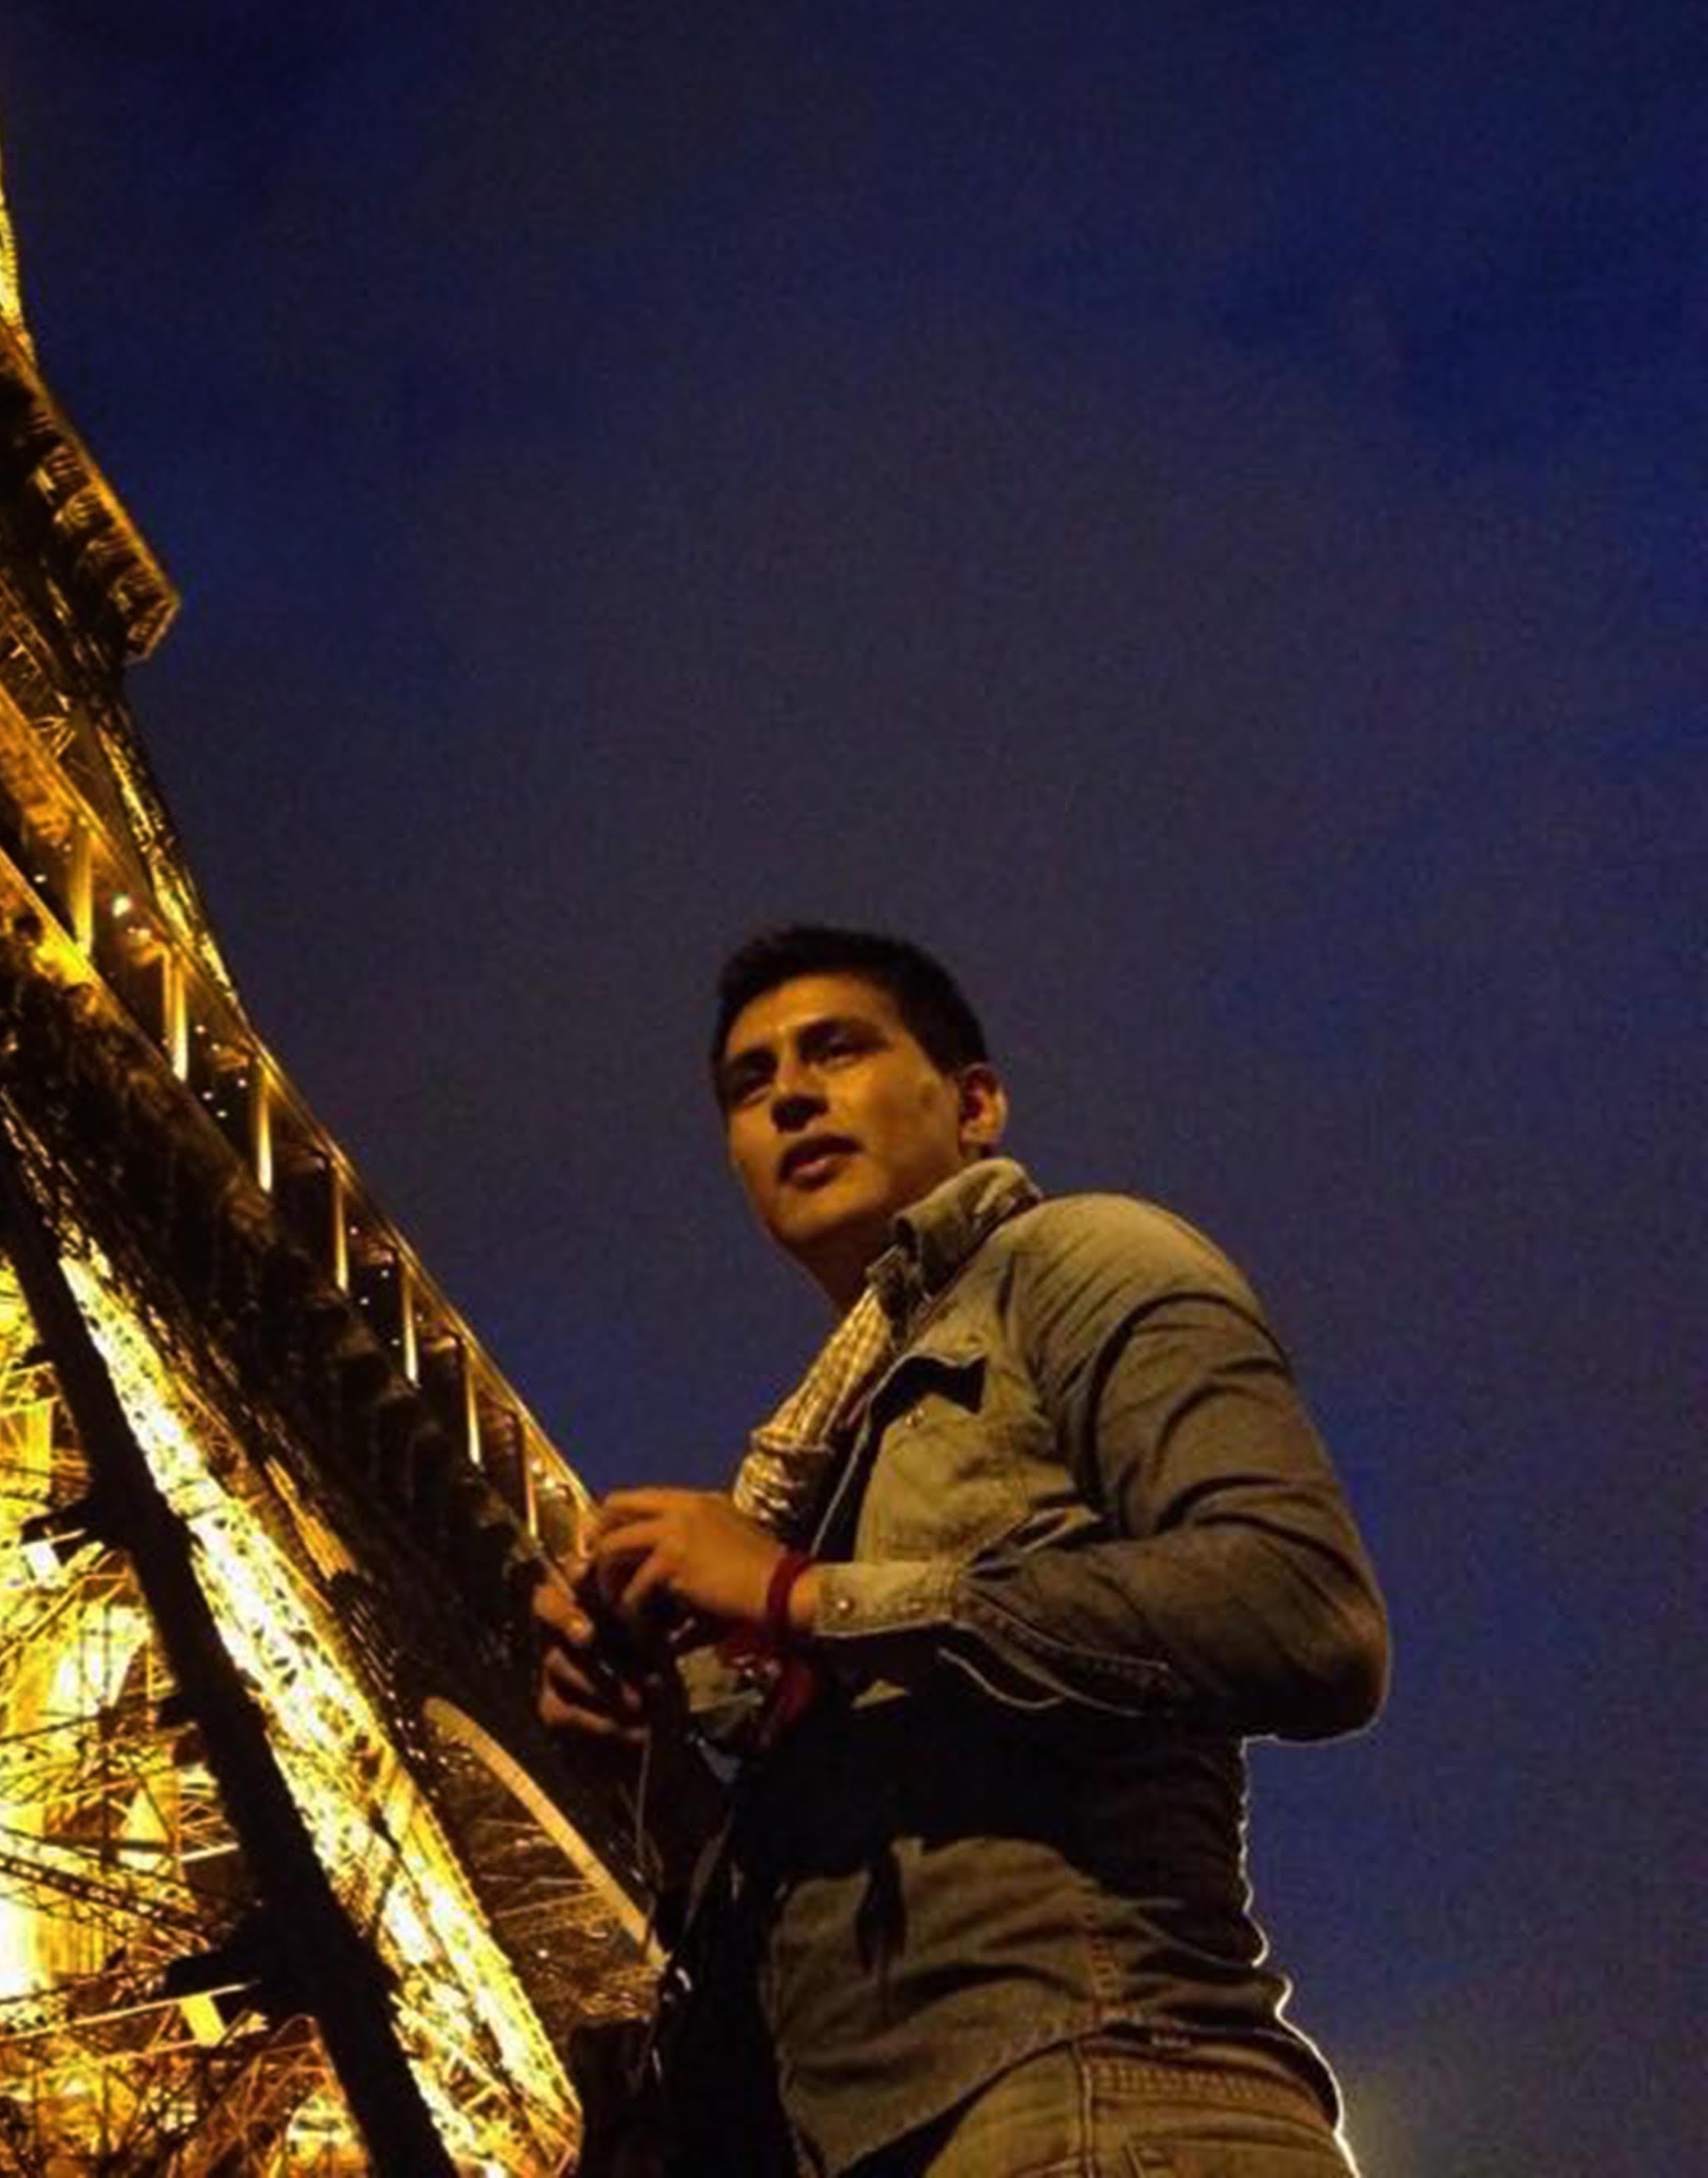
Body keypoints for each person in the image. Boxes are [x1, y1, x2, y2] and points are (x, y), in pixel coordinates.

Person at [535, 923, 1388, 2178]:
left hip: (1111, 2094)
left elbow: (1303, 1611)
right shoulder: (809, 1468)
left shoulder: (1084, 1260)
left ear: (975, 1105)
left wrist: (798, 1595)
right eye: (750, 1084)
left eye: (838, 1050)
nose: (791, 1096)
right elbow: (825, 1928)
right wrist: (647, 1754)